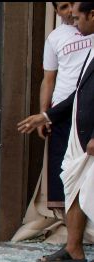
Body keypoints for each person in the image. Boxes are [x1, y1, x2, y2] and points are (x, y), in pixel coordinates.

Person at [18, 1, 94, 262]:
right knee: (72, 185)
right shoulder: (77, 42)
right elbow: (78, 93)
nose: (73, 21)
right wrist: (46, 115)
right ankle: (73, 247)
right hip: (74, 124)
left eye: (77, 15)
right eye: (66, 12)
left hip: (90, 131)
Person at [41, 2, 93, 210]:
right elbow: (48, 79)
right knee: (63, 167)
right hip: (63, 107)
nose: (70, 12)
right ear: (56, 12)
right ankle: (69, 228)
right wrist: (45, 114)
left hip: (88, 105)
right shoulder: (55, 37)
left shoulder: (90, 30)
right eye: (63, 7)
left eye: (73, 5)